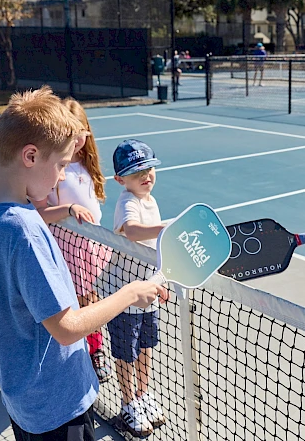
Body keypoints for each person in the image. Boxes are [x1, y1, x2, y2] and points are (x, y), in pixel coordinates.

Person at [0, 87, 167, 441]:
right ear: (30, 155)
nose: (63, 176)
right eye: (61, 165)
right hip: (57, 406)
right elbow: (68, 327)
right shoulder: (24, 230)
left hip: (25, 400)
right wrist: (131, 292)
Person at [32, 98, 112, 384]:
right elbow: (40, 213)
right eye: (71, 132)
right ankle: (89, 350)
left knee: (90, 298)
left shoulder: (87, 162)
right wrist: (68, 210)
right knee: (76, 301)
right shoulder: (53, 167)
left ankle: (95, 348)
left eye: (81, 132)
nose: (77, 139)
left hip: (92, 244)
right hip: (67, 245)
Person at [109, 139, 168, 437]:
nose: (145, 176)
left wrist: (162, 280)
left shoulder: (150, 200)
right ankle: (128, 402)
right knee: (125, 354)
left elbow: (154, 249)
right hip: (125, 295)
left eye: (148, 168)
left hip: (149, 292)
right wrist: (164, 229)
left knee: (145, 348)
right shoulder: (127, 202)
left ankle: (143, 395)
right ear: (120, 180)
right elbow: (132, 232)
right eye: (136, 172)